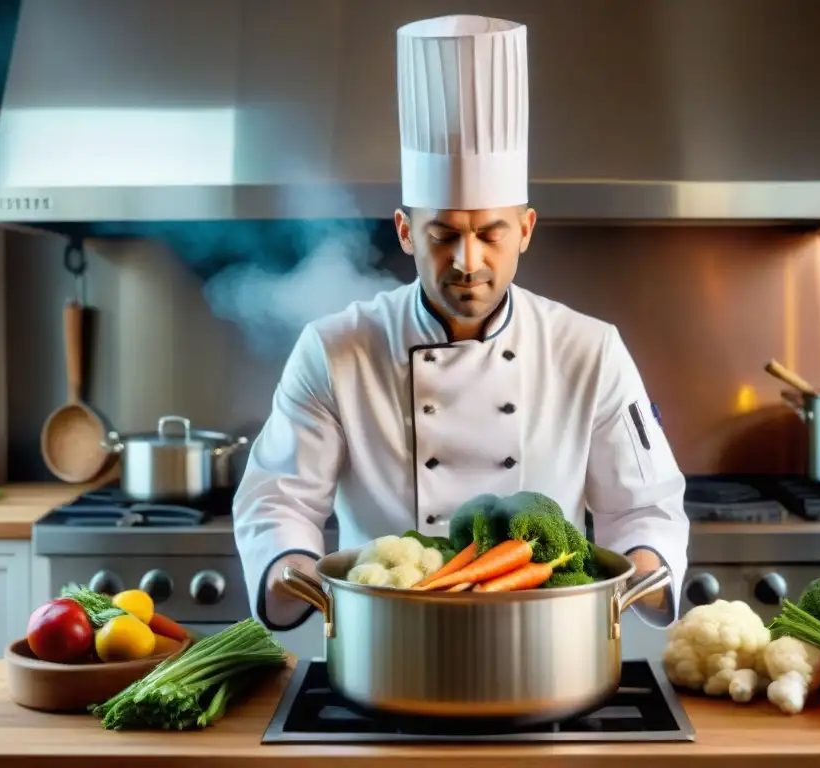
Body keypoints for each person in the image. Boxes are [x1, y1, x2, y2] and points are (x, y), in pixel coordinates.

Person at [233, 14, 689, 632]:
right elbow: (276, 502)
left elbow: (646, 508)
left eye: (490, 234)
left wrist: (622, 582)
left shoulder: (591, 350)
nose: (468, 262)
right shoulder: (335, 350)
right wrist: (325, 584)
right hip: (383, 646)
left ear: (525, 230)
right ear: (404, 232)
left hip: (546, 647)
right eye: (443, 234)